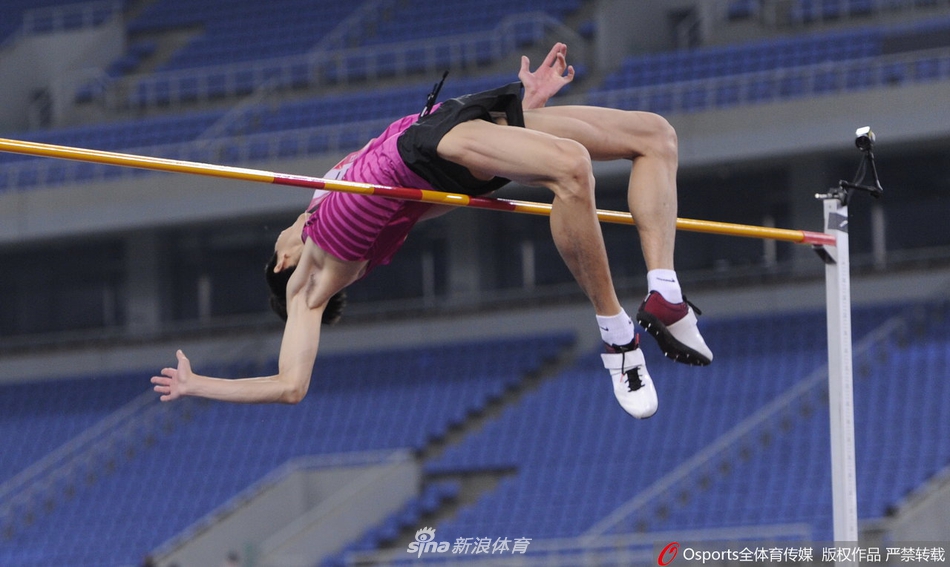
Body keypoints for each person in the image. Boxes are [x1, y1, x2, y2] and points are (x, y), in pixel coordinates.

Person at [151, 43, 713, 419]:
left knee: (654, 136)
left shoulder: (333, 198)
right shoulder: (309, 284)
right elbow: (289, 385)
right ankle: (618, 339)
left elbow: (424, 208)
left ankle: (664, 293)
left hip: (451, 120)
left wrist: (527, 106)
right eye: (279, 243)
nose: (284, 229)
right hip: (430, 151)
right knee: (571, 170)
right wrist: (199, 385)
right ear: (283, 264)